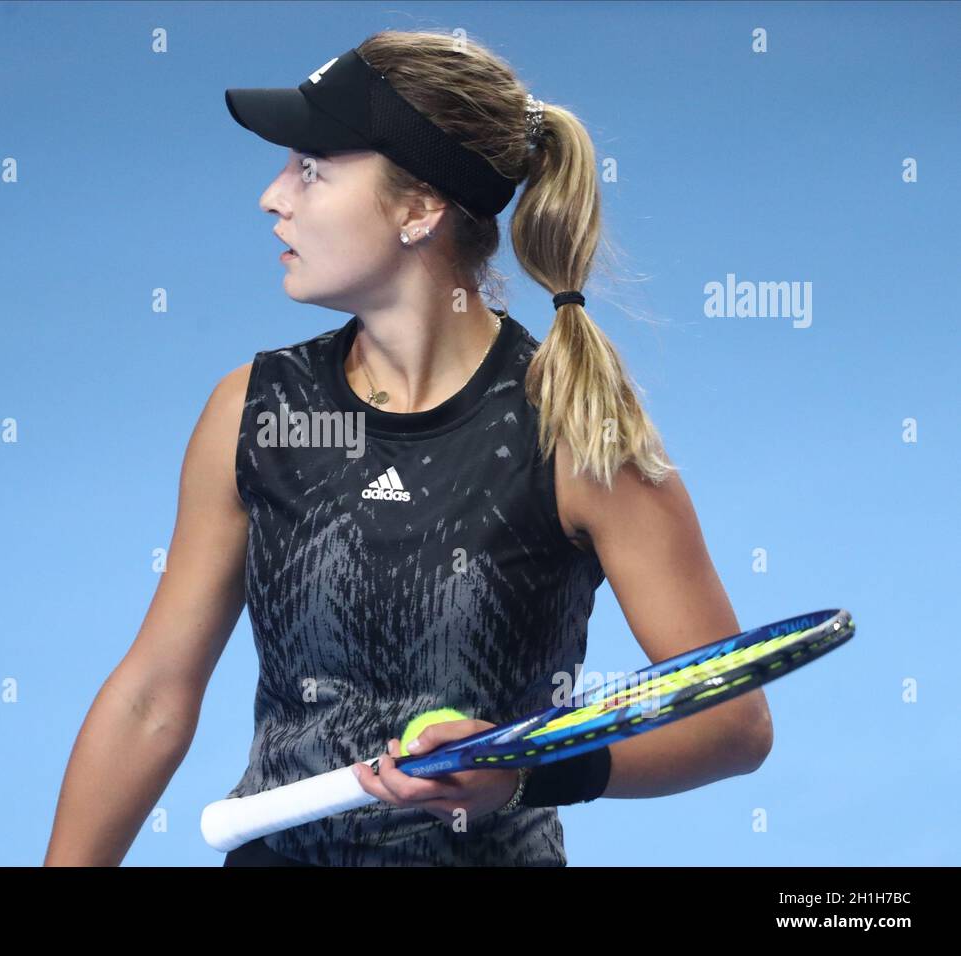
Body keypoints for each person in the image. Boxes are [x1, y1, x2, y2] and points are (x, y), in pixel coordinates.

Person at [43, 30, 774, 868]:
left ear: (419, 208)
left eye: (312, 168)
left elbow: (733, 723)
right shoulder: (251, 410)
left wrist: (526, 771)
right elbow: (151, 697)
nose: (273, 196)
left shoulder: (577, 431)